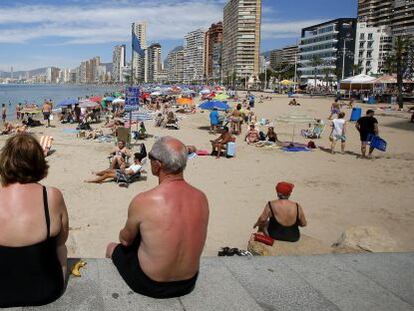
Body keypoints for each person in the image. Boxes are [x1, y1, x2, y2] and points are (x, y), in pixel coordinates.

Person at [106, 137, 209, 298]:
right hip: (189, 282)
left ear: (158, 164)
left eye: (151, 158)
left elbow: (125, 241)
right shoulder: (201, 198)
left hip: (151, 284)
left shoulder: (144, 200)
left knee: (112, 248)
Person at [0, 134, 69, 307]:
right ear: (39, 162)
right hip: (46, 291)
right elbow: (62, 241)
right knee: (60, 247)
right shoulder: (51, 196)